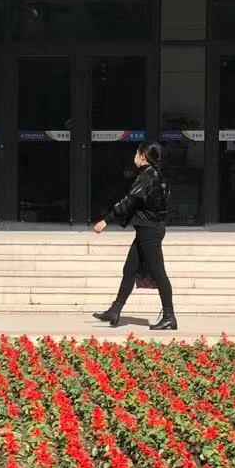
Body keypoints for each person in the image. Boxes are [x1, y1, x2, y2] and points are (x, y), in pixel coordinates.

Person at [91, 141, 176, 331]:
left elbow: (128, 201)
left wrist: (106, 220)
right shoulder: (156, 175)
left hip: (149, 231)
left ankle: (169, 316)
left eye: (137, 153)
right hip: (149, 229)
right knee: (129, 269)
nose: (135, 156)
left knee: (159, 273)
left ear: (143, 156)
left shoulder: (147, 177)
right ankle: (115, 310)